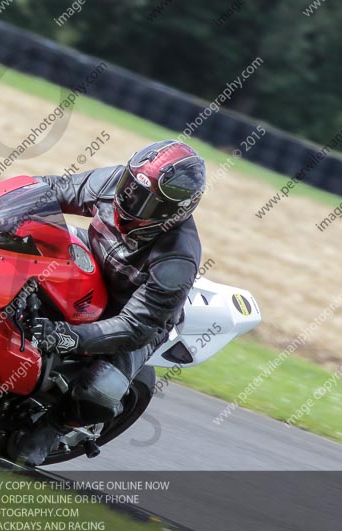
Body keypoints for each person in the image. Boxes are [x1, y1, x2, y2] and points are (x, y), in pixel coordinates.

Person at [17, 140, 206, 466]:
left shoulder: (178, 257)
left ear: (172, 212)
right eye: (130, 186)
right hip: (88, 260)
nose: (128, 199)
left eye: (144, 200)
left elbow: (134, 327)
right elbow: (53, 189)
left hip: (129, 315)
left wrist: (66, 335)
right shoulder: (115, 183)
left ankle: (55, 426)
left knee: (102, 388)